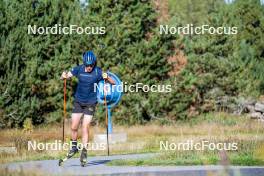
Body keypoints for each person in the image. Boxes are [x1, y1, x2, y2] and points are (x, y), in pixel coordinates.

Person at [60, 50, 115, 165]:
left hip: (91, 102)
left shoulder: (98, 72)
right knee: (74, 127)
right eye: (87, 65)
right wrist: (64, 76)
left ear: (94, 63)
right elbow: (66, 75)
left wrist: (107, 77)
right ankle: (74, 147)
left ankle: (84, 151)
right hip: (79, 102)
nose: (89, 67)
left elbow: (113, 82)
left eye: (91, 65)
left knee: (85, 126)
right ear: (84, 63)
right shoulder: (78, 69)